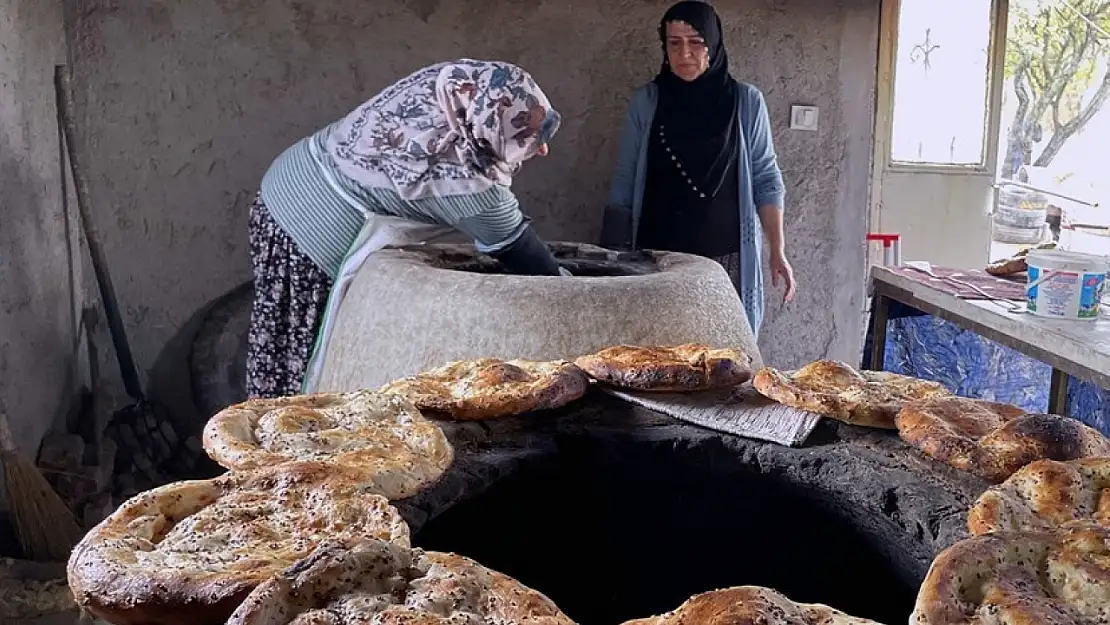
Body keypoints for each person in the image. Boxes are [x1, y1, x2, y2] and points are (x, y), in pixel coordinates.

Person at [246, 59, 566, 399]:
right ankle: (280, 431)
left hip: (283, 181)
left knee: (276, 330)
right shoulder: (468, 186)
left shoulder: (453, 87)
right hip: (307, 232)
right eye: (528, 140)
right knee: (296, 352)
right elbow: (523, 255)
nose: (543, 150)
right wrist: (574, 289)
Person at [601, 0, 795, 337]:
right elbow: (625, 178)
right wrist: (612, 256)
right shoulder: (648, 102)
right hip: (656, 257)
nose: (685, 53)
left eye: (696, 42)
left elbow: (766, 177)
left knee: (725, 353)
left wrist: (777, 250)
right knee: (658, 350)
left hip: (727, 260)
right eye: (674, 43)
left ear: (714, 44)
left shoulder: (746, 102)